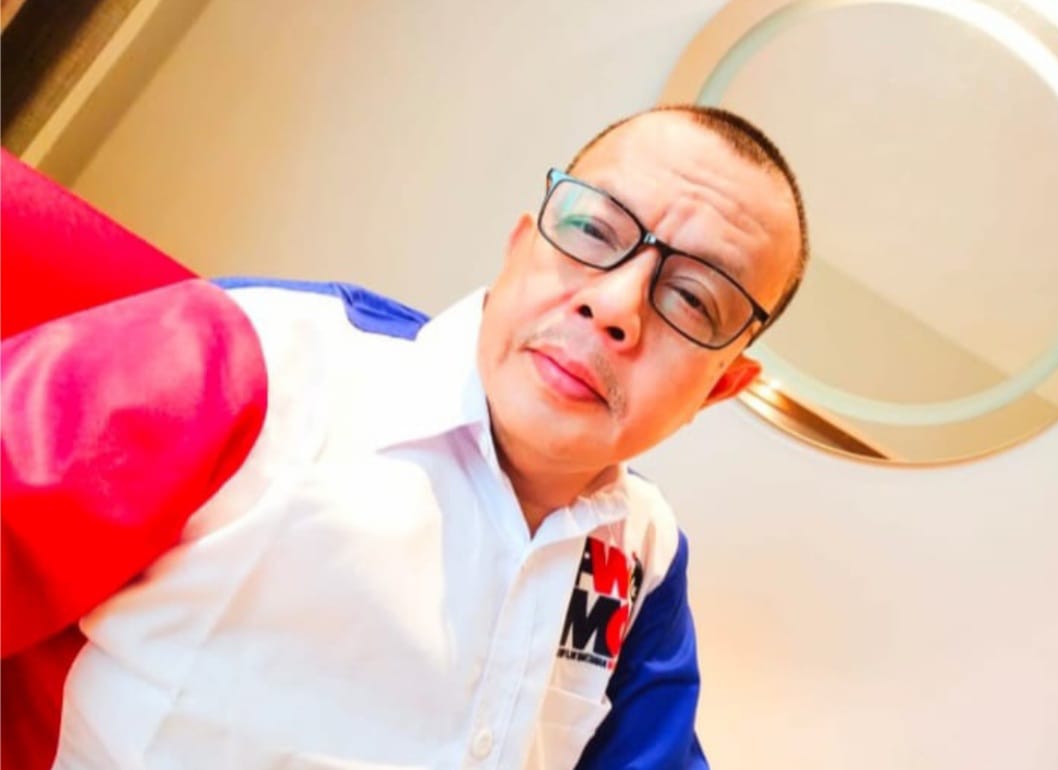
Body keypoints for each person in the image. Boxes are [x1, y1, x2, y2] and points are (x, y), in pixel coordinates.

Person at [1, 104, 807, 770]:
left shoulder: (644, 555)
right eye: (593, 232)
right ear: (520, 245)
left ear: (720, 385)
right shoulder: (261, 361)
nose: (616, 306)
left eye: (692, 299)